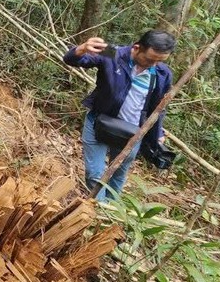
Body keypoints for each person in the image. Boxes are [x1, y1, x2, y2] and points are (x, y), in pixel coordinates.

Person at [63, 30, 176, 201]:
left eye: (159, 61)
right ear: (136, 48)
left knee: (117, 175)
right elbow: (73, 60)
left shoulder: (162, 73)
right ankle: (97, 210)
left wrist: (157, 133)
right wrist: (81, 49)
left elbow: (158, 107)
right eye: (150, 59)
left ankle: (110, 212)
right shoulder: (113, 53)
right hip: (99, 122)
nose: (153, 64)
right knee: (95, 173)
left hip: (132, 133)